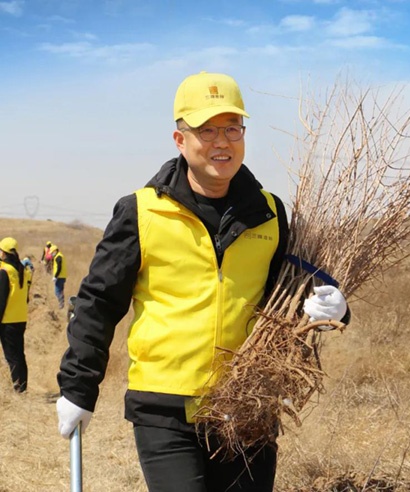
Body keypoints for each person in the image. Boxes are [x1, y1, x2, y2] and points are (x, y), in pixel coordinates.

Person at [55, 71, 349, 492]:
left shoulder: (268, 211)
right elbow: (98, 302)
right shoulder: (141, 211)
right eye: (206, 129)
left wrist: (335, 305)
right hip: (164, 406)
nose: (221, 141)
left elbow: (295, 287)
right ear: (180, 140)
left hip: (248, 403)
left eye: (232, 129)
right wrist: (78, 387)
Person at [0, 237, 29, 392]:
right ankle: (23, 387)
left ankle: (18, 389)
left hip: (7, 321)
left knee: (11, 357)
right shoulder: (22, 270)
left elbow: (1, 300)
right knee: (19, 354)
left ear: (4, 253)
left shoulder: (5, 271)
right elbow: (27, 296)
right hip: (20, 318)